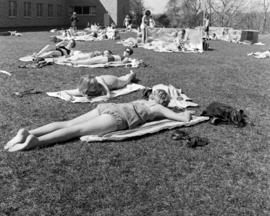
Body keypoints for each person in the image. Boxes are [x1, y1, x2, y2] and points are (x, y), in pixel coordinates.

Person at [4, 89, 193, 151]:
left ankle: (28, 132)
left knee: (68, 123)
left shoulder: (142, 100)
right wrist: (183, 110)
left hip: (111, 107)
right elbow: (183, 118)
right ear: (162, 101)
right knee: (76, 131)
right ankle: (36, 141)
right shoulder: (158, 107)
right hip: (120, 117)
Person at [64, 47, 134, 66]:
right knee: (91, 60)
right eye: (125, 50)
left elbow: (121, 63)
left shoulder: (127, 58)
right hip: (105, 57)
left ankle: (75, 62)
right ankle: (72, 61)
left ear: (129, 54)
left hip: (107, 60)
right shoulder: (121, 55)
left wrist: (111, 63)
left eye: (127, 51)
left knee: (89, 61)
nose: (125, 51)